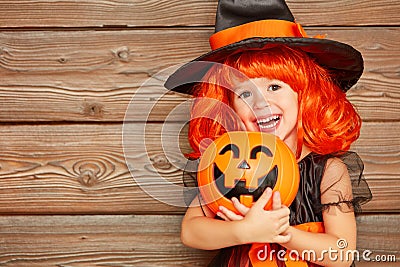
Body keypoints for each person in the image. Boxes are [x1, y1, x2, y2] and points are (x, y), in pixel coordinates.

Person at [164, 0, 372, 266]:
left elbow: (341, 253)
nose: (260, 103)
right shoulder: (226, 162)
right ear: (227, 105)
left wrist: (281, 233)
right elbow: (191, 232)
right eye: (245, 93)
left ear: (306, 95)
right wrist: (243, 232)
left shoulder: (328, 170)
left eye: (274, 87)